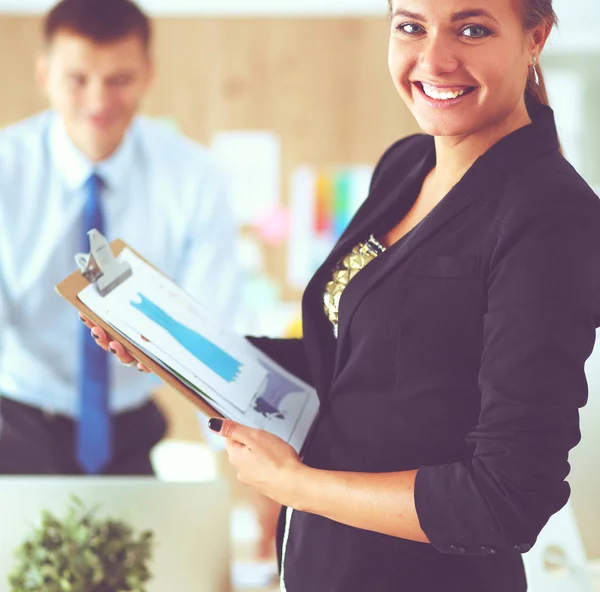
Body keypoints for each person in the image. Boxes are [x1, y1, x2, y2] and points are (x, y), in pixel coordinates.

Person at [85, 0, 600, 590]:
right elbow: (350, 368)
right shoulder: (407, 165)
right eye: (411, 26)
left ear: (536, 37)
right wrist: (170, 347)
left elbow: (507, 498)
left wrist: (293, 485)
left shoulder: (551, 216)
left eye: (473, 28)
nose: (433, 58)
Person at [0, 0, 240, 476]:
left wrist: (243, 461)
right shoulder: (7, 170)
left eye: (119, 80)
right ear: (44, 74)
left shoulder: (193, 178)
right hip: (18, 419)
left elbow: (212, 331)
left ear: (148, 74)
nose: (97, 101)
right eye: (77, 79)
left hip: (131, 427)